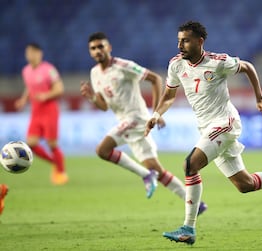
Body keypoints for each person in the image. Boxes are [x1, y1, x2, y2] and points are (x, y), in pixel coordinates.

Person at [145, 21, 262, 245]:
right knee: (245, 185)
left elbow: (248, 67)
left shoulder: (218, 63)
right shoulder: (176, 65)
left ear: (200, 42)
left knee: (190, 165)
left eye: (186, 40)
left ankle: (188, 228)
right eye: (179, 40)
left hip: (225, 122)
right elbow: (169, 96)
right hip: (206, 127)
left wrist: (259, 97)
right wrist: (155, 114)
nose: (180, 45)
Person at [80, 32, 207, 213]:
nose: (97, 50)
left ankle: (145, 176)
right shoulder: (95, 74)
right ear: (90, 52)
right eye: (93, 48)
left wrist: (156, 112)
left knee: (102, 150)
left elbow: (155, 79)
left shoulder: (123, 66)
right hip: (126, 124)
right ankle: (196, 204)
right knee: (158, 170)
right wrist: (92, 97)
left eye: (101, 46)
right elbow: (104, 106)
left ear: (109, 48)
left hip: (136, 119)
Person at [15, 43, 68, 185]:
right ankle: (55, 163)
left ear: (39, 53)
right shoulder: (26, 70)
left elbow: (60, 88)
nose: (30, 55)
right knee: (31, 143)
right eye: (28, 53)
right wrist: (23, 100)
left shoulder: (48, 69)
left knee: (52, 144)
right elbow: (29, 87)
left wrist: (45, 95)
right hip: (36, 111)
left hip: (49, 110)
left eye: (32, 52)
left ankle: (61, 173)